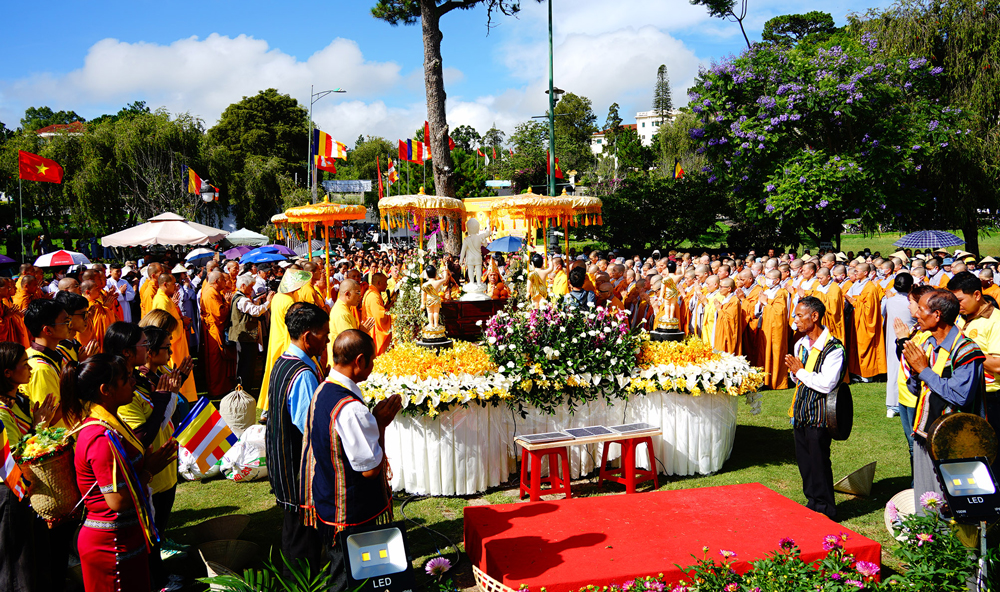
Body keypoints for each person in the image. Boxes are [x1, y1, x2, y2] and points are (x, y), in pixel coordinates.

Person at [300, 330, 402, 589]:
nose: (372, 366)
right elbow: (369, 470)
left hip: (326, 500)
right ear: (359, 361)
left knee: (341, 566)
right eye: (372, 360)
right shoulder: (352, 409)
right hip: (349, 511)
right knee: (347, 575)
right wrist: (379, 424)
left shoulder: (323, 387)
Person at [67, 353, 177, 592]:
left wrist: (149, 460)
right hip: (110, 546)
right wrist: (149, 470)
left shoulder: (112, 422)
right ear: (106, 389)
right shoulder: (99, 437)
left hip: (126, 537)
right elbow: (117, 500)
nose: (133, 382)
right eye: (126, 379)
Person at [104, 323, 186, 592]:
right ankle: (155, 581)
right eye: (145, 345)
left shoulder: (139, 382)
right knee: (147, 534)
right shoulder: (126, 391)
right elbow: (141, 436)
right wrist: (165, 398)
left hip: (154, 467)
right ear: (128, 353)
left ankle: (156, 577)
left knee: (155, 529)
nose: (149, 350)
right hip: (142, 472)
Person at [902, 289, 986, 513]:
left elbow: (959, 396)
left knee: (952, 502)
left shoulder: (966, 351)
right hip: (925, 433)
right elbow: (918, 390)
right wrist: (914, 372)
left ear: (937, 314)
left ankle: (953, 546)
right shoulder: (928, 343)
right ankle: (927, 540)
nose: (916, 314)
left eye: (921, 309)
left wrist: (923, 370)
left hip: (954, 440)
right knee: (926, 496)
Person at [266, 303, 329, 573]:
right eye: (323, 334)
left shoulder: (285, 361)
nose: (327, 339)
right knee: (301, 541)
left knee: (295, 534)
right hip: (296, 473)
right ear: (307, 337)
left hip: (284, 465)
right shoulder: (302, 374)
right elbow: (310, 429)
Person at [0, 342, 56, 592]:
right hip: (11, 491)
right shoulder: (2, 414)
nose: (31, 368)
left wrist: (37, 426)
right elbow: (16, 455)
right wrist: (38, 427)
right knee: (16, 561)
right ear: (7, 373)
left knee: (32, 556)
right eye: (24, 364)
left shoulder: (18, 401)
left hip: (26, 487)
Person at [784, 296, 845, 520]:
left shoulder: (833, 348)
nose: (795, 320)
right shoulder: (800, 344)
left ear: (815, 316)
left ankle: (827, 508)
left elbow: (827, 383)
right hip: (801, 412)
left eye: (800, 316)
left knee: (819, 461)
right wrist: (795, 372)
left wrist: (799, 371)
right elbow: (798, 380)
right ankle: (812, 502)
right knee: (805, 462)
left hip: (820, 414)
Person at [948, 271, 1000, 463]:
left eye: (960, 299)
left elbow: (998, 364)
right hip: (967, 396)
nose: (956, 305)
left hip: (991, 399)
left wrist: (965, 349)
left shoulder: (995, 322)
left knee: (991, 453)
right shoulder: (962, 318)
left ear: (977, 295)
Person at [259, 270, 309, 415]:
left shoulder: (278, 297)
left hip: (276, 339)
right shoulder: (288, 301)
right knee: (284, 377)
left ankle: (267, 409)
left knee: (272, 374)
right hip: (285, 341)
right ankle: (272, 409)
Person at [150, 273, 196, 401]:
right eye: (174, 283)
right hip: (172, 342)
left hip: (178, 340)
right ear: (165, 284)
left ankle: (185, 395)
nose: (176, 286)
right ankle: (179, 396)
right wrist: (181, 322)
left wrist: (181, 319)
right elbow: (164, 326)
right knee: (175, 369)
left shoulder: (165, 298)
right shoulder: (161, 300)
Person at [231, 275, 272, 395]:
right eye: (250, 287)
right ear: (243, 286)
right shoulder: (242, 299)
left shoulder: (240, 297)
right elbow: (256, 311)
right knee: (246, 366)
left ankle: (245, 389)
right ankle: (243, 390)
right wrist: (268, 302)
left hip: (245, 337)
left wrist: (257, 300)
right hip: (245, 337)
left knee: (246, 364)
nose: (251, 290)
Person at [845, 263, 886, 382]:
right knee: (855, 346)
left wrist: (854, 301)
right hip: (855, 319)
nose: (855, 273)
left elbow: (870, 310)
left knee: (865, 345)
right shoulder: (856, 284)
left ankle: (867, 375)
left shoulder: (870, 288)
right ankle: (856, 371)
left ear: (865, 273)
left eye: (857, 271)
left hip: (865, 322)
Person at [200, 271, 236, 398]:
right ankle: (216, 390)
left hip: (217, 330)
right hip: (213, 331)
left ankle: (223, 387)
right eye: (223, 280)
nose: (226, 282)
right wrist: (227, 303)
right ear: (216, 281)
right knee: (215, 361)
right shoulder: (210, 293)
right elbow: (219, 314)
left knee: (220, 362)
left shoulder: (214, 292)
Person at [883, 273, 914, 418]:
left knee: (894, 370)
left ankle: (892, 405)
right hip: (908, 340)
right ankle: (900, 404)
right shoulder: (911, 303)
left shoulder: (890, 301)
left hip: (892, 340)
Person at [755, 269, 790, 390]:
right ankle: (763, 380)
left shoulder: (781, 293)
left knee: (774, 352)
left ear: (777, 280)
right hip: (765, 326)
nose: (767, 280)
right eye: (766, 277)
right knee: (763, 352)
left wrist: (765, 302)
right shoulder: (766, 291)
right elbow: (759, 309)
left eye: (770, 278)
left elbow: (778, 312)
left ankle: (774, 380)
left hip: (776, 328)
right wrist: (760, 304)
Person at [361, 273, 392, 357]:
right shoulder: (373, 296)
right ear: (378, 283)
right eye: (385, 282)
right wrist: (392, 315)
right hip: (374, 331)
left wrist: (386, 308)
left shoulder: (372, 293)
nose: (387, 284)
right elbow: (380, 317)